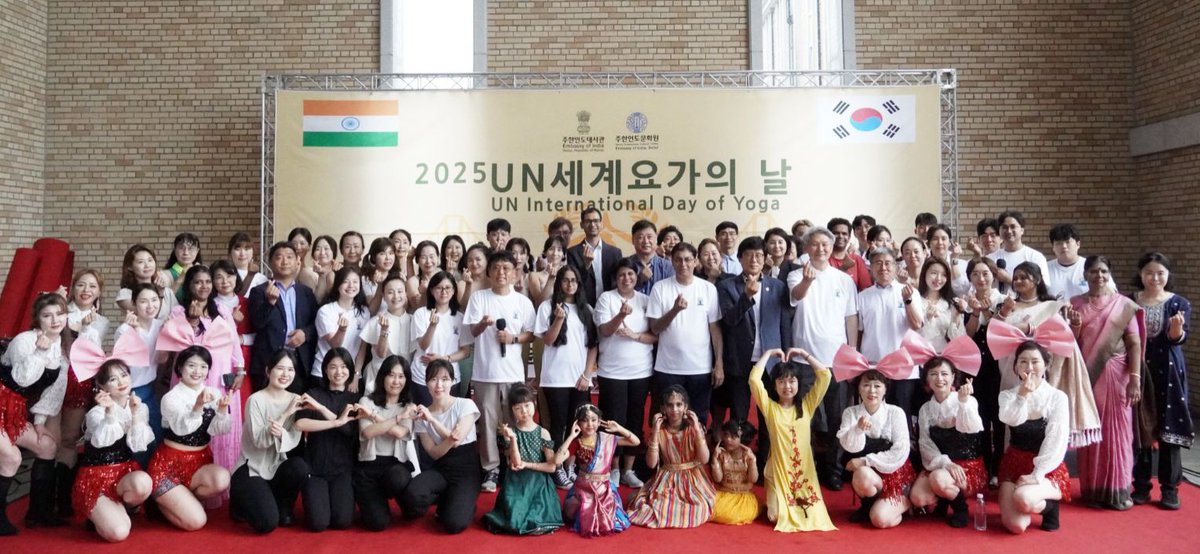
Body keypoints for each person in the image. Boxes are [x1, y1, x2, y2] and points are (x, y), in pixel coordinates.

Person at [994, 262, 1101, 447]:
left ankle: (1046, 461)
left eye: (1023, 277)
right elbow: (995, 334)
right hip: (1013, 368)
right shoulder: (1006, 305)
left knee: (1043, 415)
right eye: (1016, 278)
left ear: (1036, 279)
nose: (1018, 281)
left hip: (1044, 369)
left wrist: (1074, 326)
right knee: (1016, 411)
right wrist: (1005, 314)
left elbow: (1063, 340)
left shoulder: (1052, 306)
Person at [1069, 255, 1143, 510]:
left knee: (1118, 433)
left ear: (1109, 274)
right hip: (1087, 377)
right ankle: (1092, 490)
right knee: (1091, 431)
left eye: (1103, 271)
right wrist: (1075, 327)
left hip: (1117, 375)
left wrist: (1135, 379)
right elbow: (1071, 343)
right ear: (1085, 275)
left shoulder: (1123, 305)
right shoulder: (1075, 304)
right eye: (1092, 271)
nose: (1098, 276)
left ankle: (1118, 490)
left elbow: (1134, 343)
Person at [787, 226, 858, 488]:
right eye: (814, 244)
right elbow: (796, 296)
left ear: (832, 247)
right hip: (804, 362)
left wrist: (852, 354)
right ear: (806, 248)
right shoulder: (795, 275)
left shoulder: (844, 280)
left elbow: (851, 318)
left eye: (825, 244)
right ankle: (807, 468)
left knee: (838, 418)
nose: (821, 249)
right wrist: (807, 280)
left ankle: (835, 471)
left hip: (837, 361)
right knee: (806, 418)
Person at [463, 250, 536, 493]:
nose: (501, 273)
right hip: (485, 374)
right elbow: (471, 332)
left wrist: (512, 338)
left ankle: (515, 463)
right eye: (496, 268)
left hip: (513, 374)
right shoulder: (479, 298)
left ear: (515, 273)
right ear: (488, 272)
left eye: (506, 268)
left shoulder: (522, 301)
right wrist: (483, 324)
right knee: (487, 423)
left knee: (515, 422)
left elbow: (531, 333)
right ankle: (491, 469)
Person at [1, 294, 73, 533]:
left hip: (12, 412)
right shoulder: (25, 341)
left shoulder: (60, 353)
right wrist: (39, 353)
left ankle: (38, 512)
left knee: (47, 447)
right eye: (47, 315)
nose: (54, 320)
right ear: (37, 319)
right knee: (12, 458)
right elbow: (22, 379)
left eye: (59, 314)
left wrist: (40, 421)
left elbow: (53, 393)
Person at [989, 339, 1071, 534]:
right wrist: (1022, 395)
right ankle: (1029, 502)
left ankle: (1050, 508)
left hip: (1046, 467)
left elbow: (1056, 439)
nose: (1029, 367)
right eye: (1023, 361)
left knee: (1024, 499)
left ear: (1046, 365)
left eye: (1035, 361)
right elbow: (1010, 418)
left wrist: (1037, 474)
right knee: (1016, 526)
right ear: (1016, 367)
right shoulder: (1007, 396)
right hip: (1014, 463)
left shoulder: (1057, 397)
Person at [147, 346, 232, 531]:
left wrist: (223, 410)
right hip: (168, 466)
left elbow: (219, 429)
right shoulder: (171, 398)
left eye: (203, 366)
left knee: (222, 479)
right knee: (196, 522)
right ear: (180, 368)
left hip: (199, 463)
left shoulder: (214, 393)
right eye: (191, 365)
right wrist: (198, 406)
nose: (197, 371)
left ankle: (179, 500)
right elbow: (182, 429)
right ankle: (159, 502)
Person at [750, 348, 835, 532]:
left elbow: (825, 376)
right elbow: (754, 380)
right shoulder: (770, 408)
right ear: (774, 385)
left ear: (798, 383)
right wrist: (768, 354)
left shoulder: (806, 405)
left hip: (803, 474)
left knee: (811, 514)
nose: (787, 386)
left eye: (792, 381)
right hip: (779, 472)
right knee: (775, 517)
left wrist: (804, 354)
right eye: (781, 381)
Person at [904, 337, 986, 528]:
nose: (939, 379)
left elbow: (973, 430)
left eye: (944, 374)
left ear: (952, 377)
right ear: (926, 380)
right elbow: (925, 444)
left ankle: (960, 508)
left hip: (968, 466)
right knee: (917, 498)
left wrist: (964, 403)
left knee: (938, 478)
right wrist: (946, 464)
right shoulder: (925, 409)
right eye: (933, 374)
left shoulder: (966, 400)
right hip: (943, 465)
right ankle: (944, 498)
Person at [1130, 252, 1191, 509]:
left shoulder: (1179, 303)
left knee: (1169, 428)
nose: (1154, 278)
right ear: (1141, 275)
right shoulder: (1130, 301)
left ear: (1168, 276)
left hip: (1168, 373)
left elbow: (1180, 337)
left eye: (1160, 273)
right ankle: (1141, 486)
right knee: (1140, 427)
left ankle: (1169, 489)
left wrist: (1176, 333)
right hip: (1138, 371)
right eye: (1149, 273)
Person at [834, 345, 916, 528]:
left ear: (885, 389)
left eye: (877, 386)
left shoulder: (896, 413)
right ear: (859, 390)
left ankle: (907, 502)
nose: (872, 391)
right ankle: (869, 505)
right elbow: (849, 447)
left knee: (880, 520)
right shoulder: (851, 412)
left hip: (895, 477)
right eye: (866, 385)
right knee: (861, 474)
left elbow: (901, 451)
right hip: (871, 478)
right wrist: (857, 429)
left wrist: (865, 460)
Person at [229, 349, 311, 533]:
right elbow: (259, 441)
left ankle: (284, 508)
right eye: (280, 368)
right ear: (268, 371)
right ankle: (240, 501)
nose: (285, 374)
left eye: (290, 370)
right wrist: (284, 415)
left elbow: (294, 439)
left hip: (276, 466)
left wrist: (282, 432)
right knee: (267, 524)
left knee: (299, 466)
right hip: (252, 468)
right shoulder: (255, 400)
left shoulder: (295, 399)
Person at [71, 360, 153, 542]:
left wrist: (136, 414)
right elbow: (103, 441)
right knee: (118, 533)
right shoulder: (96, 413)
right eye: (113, 379)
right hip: (95, 479)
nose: (121, 382)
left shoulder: (140, 406)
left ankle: (123, 507)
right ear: (101, 385)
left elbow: (138, 445)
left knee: (144, 482)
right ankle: (100, 514)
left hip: (124, 474)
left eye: (124, 375)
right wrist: (109, 412)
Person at [716, 236, 791, 429]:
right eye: (749, 255)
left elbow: (784, 324)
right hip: (739, 362)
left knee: (769, 415)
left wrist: (787, 355)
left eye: (759, 255)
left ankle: (766, 457)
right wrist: (746, 297)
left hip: (770, 362)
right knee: (738, 415)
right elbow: (729, 321)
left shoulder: (777, 286)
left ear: (766, 258)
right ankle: (739, 457)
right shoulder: (727, 286)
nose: (754, 260)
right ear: (740, 259)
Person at [593, 257, 656, 488]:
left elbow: (655, 335)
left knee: (634, 420)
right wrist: (620, 315)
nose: (626, 278)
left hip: (641, 371)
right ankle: (614, 468)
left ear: (636, 277)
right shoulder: (606, 299)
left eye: (630, 274)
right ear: (615, 278)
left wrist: (635, 335)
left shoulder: (646, 300)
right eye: (621, 275)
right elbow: (604, 331)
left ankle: (629, 469)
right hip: (612, 372)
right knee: (612, 422)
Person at [401, 359, 482, 534]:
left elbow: (458, 440)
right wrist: (449, 439)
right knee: (412, 495)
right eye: (434, 379)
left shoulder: (465, 405)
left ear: (452, 381)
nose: (439, 385)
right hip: (441, 468)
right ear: (426, 383)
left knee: (453, 524)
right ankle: (446, 498)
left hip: (466, 470)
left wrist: (432, 420)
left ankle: (461, 503)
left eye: (445, 379)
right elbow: (433, 453)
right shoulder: (423, 415)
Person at [647, 242, 724, 425]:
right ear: (672, 262)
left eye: (688, 259)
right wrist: (674, 310)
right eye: (678, 260)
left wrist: (719, 363)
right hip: (668, 368)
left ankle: (696, 454)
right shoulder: (660, 288)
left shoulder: (708, 289)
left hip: (700, 368)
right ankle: (667, 454)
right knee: (668, 419)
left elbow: (715, 329)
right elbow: (655, 328)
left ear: (695, 261)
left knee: (697, 419)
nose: (683, 264)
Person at [58, 269, 112, 516]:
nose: (86, 290)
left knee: (89, 436)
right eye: (81, 285)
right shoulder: (62, 313)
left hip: (90, 380)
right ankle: (60, 498)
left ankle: (85, 494)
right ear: (73, 288)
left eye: (92, 286)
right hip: (66, 378)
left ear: (99, 292)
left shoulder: (102, 321)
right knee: (67, 438)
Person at [294, 347, 364, 531]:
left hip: (343, 469)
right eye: (333, 367)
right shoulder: (314, 394)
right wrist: (335, 422)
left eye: (343, 367)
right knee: (318, 524)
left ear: (350, 369)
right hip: (315, 468)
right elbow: (300, 424)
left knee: (342, 522)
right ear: (325, 370)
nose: (338, 372)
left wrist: (322, 410)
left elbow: (349, 430)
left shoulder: (356, 400)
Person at [627, 385, 716, 528]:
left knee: (699, 507)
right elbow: (651, 464)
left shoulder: (693, 427)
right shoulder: (660, 430)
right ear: (663, 409)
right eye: (670, 405)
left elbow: (704, 459)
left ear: (685, 406)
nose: (675, 409)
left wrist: (698, 430)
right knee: (658, 506)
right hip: (667, 478)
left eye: (679, 405)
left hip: (692, 479)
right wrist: (655, 432)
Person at [482, 383, 564, 535]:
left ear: (534, 404)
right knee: (514, 519)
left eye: (527, 405)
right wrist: (512, 439)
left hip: (539, 483)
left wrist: (528, 465)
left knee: (537, 516)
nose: (524, 411)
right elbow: (515, 463)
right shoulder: (511, 432)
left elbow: (552, 467)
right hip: (516, 483)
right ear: (512, 411)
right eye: (518, 408)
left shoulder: (543, 433)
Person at [535, 265, 598, 460]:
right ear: (559, 283)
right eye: (565, 280)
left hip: (579, 379)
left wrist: (587, 375)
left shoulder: (586, 309)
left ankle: (570, 464)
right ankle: (555, 465)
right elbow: (548, 340)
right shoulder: (547, 306)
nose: (570, 284)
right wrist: (559, 320)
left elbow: (593, 345)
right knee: (557, 425)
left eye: (574, 280)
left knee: (577, 425)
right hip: (555, 379)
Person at [354, 355, 419, 531]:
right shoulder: (366, 401)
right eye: (391, 375)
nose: (396, 381)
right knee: (378, 524)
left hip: (394, 465)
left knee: (410, 501)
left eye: (401, 376)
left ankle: (396, 498)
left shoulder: (409, 406)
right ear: (382, 376)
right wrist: (397, 418)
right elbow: (368, 433)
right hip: (368, 467)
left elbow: (400, 433)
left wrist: (374, 415)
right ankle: (375, 499)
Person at [858, 247, 923, 419]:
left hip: (904, 366)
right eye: (878, 263)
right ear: (870, 267)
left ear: (895, 267)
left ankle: (905, 446)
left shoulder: (910, 292)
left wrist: (907, 301)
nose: (883, 268)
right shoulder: (863, 296)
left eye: (888, 263)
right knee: (873, 415)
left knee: (902, 414)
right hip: (874, 366)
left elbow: (917, 325)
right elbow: (859, 332)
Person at [556, 404, 639, 537]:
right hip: (584, 488)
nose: (590, 424)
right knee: (572, 513)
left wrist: (619, 428)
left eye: (594, 420)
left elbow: (635, 442)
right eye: (585, 420)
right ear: (578, 423)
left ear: (599, 421)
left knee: (611, 517)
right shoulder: (577, 442)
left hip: (604, 488)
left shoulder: (607, 438)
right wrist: (571, 436)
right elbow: (557, 460)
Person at [248, 241, 318, 391]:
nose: (285, 261)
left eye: (289, 257)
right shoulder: (259, 292)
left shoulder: (306, 293)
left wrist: (305, 334)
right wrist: (269, 303)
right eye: (279, 257)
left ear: (297, 262)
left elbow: (315, 324)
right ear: (271, 263)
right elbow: (256, 324)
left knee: (296, 409)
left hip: (299, 363)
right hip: (269, 364)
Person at [962, 258, 1007, 484]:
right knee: (977, 417)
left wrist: (988, 311)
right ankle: (981, 469)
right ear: (970, 278)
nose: (981, 278)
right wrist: (974, 311)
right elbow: (968, 334)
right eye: (976, 274)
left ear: (994, 275)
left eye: (986, 273)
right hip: (973, 365)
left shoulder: (1004, 300)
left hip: (997, 364)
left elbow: (998, 331)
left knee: (998, 417)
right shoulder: (965, 301)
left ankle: (997, 470)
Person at [113, 284, 167, 457]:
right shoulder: (124, 330)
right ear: (134, 304)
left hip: (150, 388)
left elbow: (162, 359)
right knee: (136, 438)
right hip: (130, 392)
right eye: (143, 301)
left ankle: (154, 476)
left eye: (154, 300)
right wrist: (133, 332)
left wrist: (167, 334)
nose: (150, 306)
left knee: (156, 434)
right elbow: (124, 363)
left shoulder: (161, 326)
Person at [911, 258, 968, 413]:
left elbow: (957, 339)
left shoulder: (951, 302)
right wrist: (927, 319)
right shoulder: (916, 300)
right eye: (933, 273)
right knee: (922, 406)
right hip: (920, 362)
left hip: (944, 362)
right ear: (925, 274)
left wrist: (956, 316)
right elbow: (912, 334)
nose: (938, 279)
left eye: (943, 275)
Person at [408, 271, 470, 404]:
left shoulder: (459, 317)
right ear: (431, 291)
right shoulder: (421, 314)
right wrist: (432, 325)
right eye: (439, 288)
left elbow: (466, 351)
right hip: (422, 376)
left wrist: (444, 359)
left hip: (450, 378)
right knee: (423, 419)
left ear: (453, 291)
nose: (443, 292)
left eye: (448, 288)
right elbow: (423, 345)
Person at [314, 266, 369, 384]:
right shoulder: (326, 311)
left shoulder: (364, 312)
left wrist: (356, 375)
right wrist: (342, 330)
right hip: (324, 374)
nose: (351, 286)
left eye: (355, 282)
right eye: (345, 282)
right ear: (337, 284)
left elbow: (362, 348)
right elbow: (335, 345)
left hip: (349, 375)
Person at [568, 207, 623, 307]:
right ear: (582, 225)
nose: (592, 224)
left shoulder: (615, 253)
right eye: (588, 221)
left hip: (610, 306)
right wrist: (586, 266)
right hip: (583, 306)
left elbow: (619, 280)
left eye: (596, 221)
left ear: (602, 224)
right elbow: (572, 283)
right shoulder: (572, 253)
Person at [709, 419, 759, 525]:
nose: (728, 439)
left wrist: (753, 461)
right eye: (726, 435)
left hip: (743, 496)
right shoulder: (722, 454)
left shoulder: (747, 456)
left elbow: (753, 479)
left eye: (733, 437)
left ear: (742, 438)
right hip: (725, 493)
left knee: (737, 514)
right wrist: (714, 459)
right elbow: (718, 479)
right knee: (711, 508)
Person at [989, 210, 1051, 292]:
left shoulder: (1035, 257)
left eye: (1013, 227)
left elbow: (1045, 287)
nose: (1009, 231)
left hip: (1027, 304)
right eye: (1004, 227)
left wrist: (1009, 280)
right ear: (999, 231)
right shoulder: (990, 258)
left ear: (1022, 230)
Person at [114, 244, 177, 319]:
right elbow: (149, 317)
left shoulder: (167, 292)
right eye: (141, 262)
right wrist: (160, 295)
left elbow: (178, 317)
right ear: (130, 267)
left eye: (150, 260)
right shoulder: (125, 294)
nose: (147, 265)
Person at [628, 219, 674, 295]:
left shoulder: (668, 266)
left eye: (649, 237)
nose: (646, 241)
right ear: (633, 240)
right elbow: (617, 294)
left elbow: (671, 294)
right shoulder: (624, 265)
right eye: (640, 237)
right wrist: (639, 281)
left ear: (656, 239)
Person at [826, 218, 871, 291]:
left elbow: (866, 289)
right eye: (836, 233)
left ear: (849, 237)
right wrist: (843, 268)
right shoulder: (823, 258)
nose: (840, 236)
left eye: (844, 234)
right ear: (828, 236)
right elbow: (823, 286)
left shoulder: (856, 259)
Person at [926, 224, 970, 296]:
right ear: (929, 243)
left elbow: (962, 290)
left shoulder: (962, 264)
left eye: (943, 239)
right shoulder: (923, 263)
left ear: (950, 242)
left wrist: (953, 261)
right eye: (935, 239)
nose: (940, 242)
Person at [1047, 224, 1087, 300]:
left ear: (1078, 244)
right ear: (1053, 247)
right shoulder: (1044, 268)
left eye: (1068, 242)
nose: (1064, 246)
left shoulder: (1090, 266)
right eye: (1059, 243)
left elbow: (1109, 293)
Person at [361, 237, 398, 314]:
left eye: (391, 253)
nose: (388, 258)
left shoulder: (398, 276)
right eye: (382, 254)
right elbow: (372, 310)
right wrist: (380, 285)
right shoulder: (366, 279)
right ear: (374, 257)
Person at [529, 236, 567, 305]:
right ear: (545, 253)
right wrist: (551, 279)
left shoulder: (568, 274)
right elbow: (539, 302)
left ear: (564, 255)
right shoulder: (535, 275)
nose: (555, 253)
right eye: (551, 249)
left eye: (559, 250)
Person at [164, 233, 202, 300]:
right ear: (175, 250)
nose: (186, 253)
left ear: (197, 251)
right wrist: (180, 279)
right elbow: (164, 301)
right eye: (181, 248)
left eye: (190, 248)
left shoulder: (203, 271)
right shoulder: (165, 275)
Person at [228, 232, 268, 297]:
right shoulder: (226, 276)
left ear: (253, 252)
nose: (242, 253)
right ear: (230, 252)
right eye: (237, 249)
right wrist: (250, 276)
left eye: (246, 249)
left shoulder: (262, 279)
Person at [407, 240, 442, 311]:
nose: (428, 261)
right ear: (417, 260)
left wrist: (425, 293)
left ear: (438, 258)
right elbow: (418, 308)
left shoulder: (445, 277)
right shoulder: (413, 282)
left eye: (431, 256)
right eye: (423, 257)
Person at [308, 234, 341, 302]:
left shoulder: (340, 270)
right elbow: (316, 302)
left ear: (333, 252)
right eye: (318, 249)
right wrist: (322, 276)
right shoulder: (308, 272)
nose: (322, 253)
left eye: (326, 249)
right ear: (313, 254)